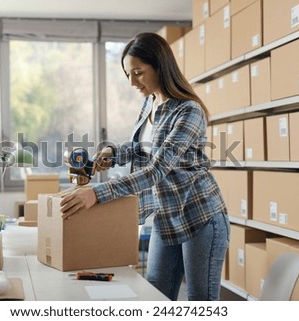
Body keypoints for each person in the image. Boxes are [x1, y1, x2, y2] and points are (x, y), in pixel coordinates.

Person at [60, 32, 229, 301]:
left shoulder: (188, 111)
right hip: (166, 216)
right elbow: (141, 147)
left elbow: (156, 169)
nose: (132, 82)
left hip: (200, 215)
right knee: (155, 294)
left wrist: (97, 193)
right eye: (128, 74)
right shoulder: (149, 103)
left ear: (160, 66)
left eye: (138, 72)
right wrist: (113, 153)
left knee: (201, 301)